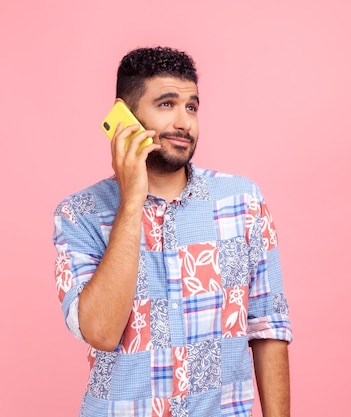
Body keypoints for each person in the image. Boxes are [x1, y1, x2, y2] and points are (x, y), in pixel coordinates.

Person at [53, 46, 293, 417]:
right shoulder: (80, 213)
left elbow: (268, 325)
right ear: (124, 116)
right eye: (166, 104)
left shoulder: (243, 200)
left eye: (192, 107)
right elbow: (101, 331)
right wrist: (132, 200)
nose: (185, 122)